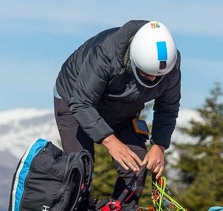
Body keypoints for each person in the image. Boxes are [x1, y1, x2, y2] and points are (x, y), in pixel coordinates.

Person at [54, 20, 181, 200]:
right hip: (75, 101)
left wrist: (159, 145)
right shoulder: (105, 52)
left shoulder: (171, 66)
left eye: (158, 76)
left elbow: (168, 108)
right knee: (80, 168)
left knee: (136, 167)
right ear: (133, 60)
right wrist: (110, 141)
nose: (153, 79)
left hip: (123, 110)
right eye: (146, 74)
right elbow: (81, 103)